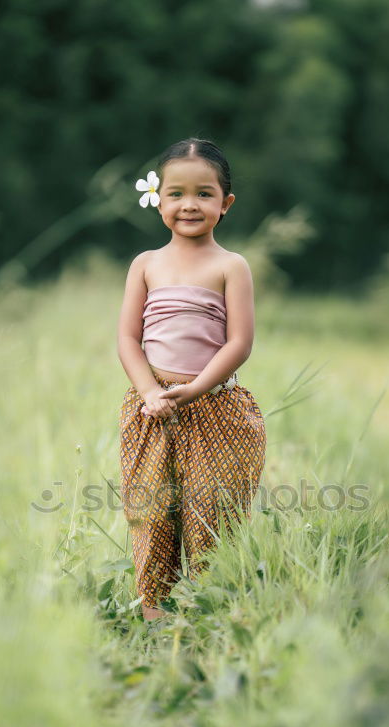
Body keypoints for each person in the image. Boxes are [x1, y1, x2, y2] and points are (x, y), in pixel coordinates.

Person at [117, 137, 267, 622]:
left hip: (216, 408)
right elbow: (127, 338)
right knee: (153, 512)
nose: (189, 204)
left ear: (226, 204)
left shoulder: (231, 266)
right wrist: (149, 392)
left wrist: (196, 389)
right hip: (153, 409)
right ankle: (156, 617)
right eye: (176, 193)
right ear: (157, 199)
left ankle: (208, 613)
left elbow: (239, 342)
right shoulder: (146, 264)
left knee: (213, 514)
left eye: (204, 194)